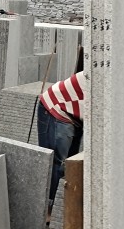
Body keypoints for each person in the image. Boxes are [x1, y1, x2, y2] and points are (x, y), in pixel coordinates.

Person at [34, 58, 86, 213]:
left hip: (74, 115)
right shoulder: (107, 81)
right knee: (58, 163)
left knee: (72, 164)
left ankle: (58, 209)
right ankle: (48, 211)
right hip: (56, 107)